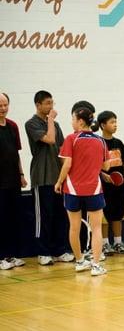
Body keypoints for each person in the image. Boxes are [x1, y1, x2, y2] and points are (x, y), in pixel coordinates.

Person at [55, 107, 111, 276]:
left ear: (80, 121)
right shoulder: (101, 141)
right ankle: (95, 265)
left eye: (73, 119)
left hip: (72, 190)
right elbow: (106, 166)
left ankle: (79, 261)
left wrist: (59, 182)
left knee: (74, 227)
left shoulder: (71, 139)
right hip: (94, 189)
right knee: (96, 228)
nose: (71, 122)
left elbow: (67, 164)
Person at [25, 90, 74, 266]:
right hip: (41, 176)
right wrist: (51, 120)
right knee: (43, 216)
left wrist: (66, 175)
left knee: (60, 215)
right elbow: (50, 139)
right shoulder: (31, 123)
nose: (51, 107)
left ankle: (59, 250)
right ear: (38, 105)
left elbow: (62, 149)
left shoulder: (57, 124)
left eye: (52, 103)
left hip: (57, 177)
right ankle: (43, 252)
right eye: (47, 103)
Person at [0, 92, 28, 270]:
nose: (3, 109)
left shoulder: (12, 126)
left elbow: (16, 153)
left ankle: (11, 255)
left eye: (5, 105)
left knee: (12, 218)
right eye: (0, 106)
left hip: (13, 180)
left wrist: (21, 174)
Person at [97, 111, 124, 255]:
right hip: (103, 186)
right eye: (112, 122)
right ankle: (105, 244)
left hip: (119, 186)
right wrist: (102, 174)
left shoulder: (118, 143)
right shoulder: (98, 143)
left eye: (115, 121)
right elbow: (93, 164)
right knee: (105, 215)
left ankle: (118, 242)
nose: (115, 125)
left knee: (118, 213)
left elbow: (123, 163)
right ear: (103, 125)